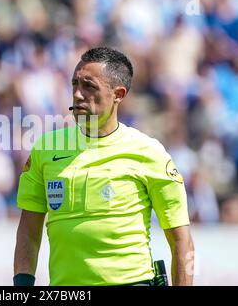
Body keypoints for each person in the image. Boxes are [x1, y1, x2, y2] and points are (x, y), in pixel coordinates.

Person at [13, 47, 194, 286]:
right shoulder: (46, 149)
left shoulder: (148, 153)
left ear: (118, 94)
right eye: (74, 84)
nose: (77, 94)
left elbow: (182, 241)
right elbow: (28, 230)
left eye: (89, 86)